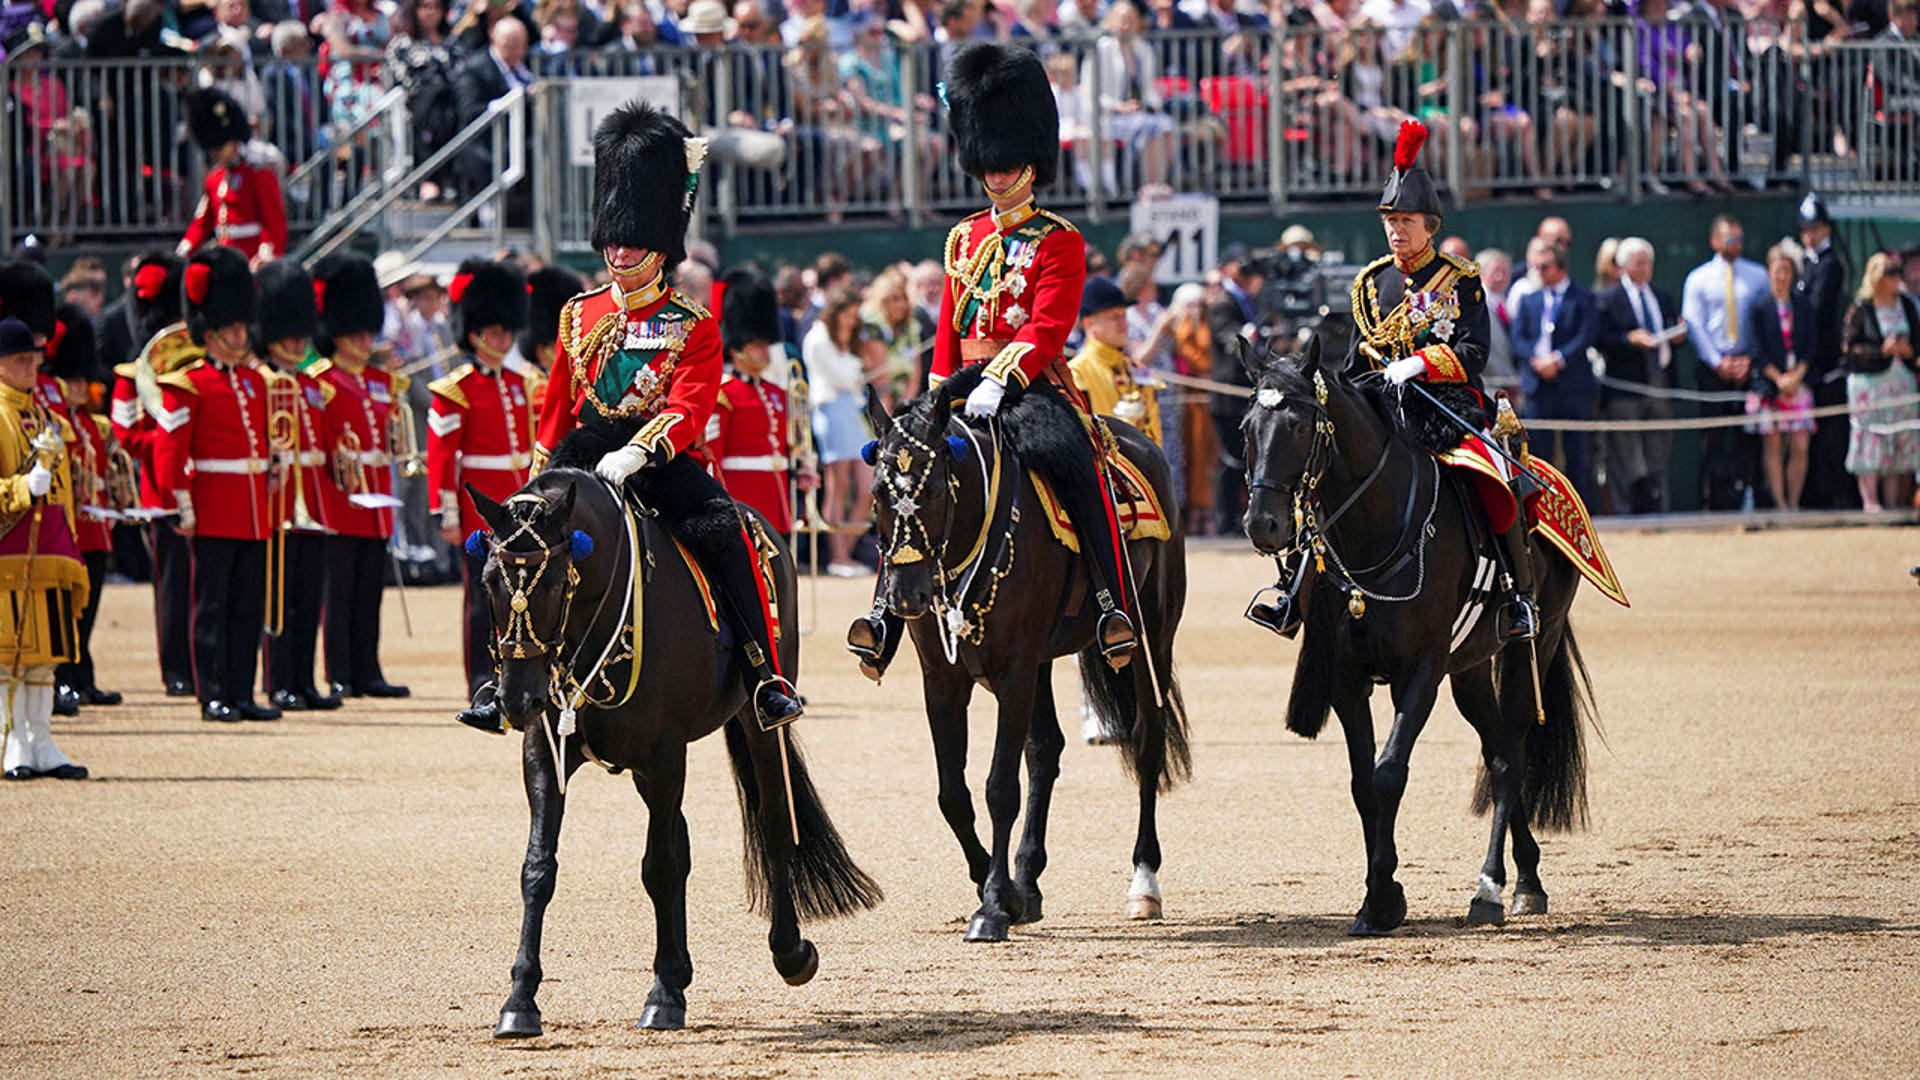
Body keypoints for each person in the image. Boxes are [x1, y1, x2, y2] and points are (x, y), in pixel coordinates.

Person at [846, 41, 1136, 680]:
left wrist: (1002, 375)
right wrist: (938, 391)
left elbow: (1049, 325)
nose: (998, 175)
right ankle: (886, 612)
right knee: (906, 474)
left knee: (1077, 468)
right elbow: (949, 324)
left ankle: (1113, 604)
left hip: (1029, 385)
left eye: (1008, 164)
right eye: (990, 165)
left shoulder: (1058, 238)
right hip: (959, 386)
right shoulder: (963, 237)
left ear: (1031, 162)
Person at [531, 101, 803, 728]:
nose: (620, 254)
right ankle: (505, 676)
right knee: (517, 547)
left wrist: (640, 451)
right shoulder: (579, 314)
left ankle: (764, 675)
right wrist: (541, 470)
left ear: (661, 245)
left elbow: (688, 407)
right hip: (581, 458)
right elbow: (555, 406)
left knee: (728, 536)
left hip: (659, 461)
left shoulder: (693, 324)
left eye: (634, 243)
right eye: (613, 241)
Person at [1356, 120, 1537, 641]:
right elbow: (1355, 359)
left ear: (1429, 225)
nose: (1396, 230)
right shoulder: (1371, 282)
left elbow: (1474, 351)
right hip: (1381, 407)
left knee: (1492, 480)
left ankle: (1517, 594)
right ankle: (1296, 589)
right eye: (1390, 220)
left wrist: (1420, 364)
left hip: (1445, 404)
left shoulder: (1461, 279)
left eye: (1406, 220)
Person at [152, 246, 279, 723]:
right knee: (212, 607)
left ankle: (243, 692)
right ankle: (214, 693)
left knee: (248, 608)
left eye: (243, 326)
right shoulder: (187, 384)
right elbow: (170, 451)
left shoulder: (254, 381)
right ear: (210, 331)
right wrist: (179, 502)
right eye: (233, 327)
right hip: (212, 507)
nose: (242, 334)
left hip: (251, 513)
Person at [429, 258, 534, 733]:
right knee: (481, 600)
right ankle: (481, 681)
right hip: (479, 512)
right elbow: (443, 457)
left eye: (505, 331)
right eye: (492, 331)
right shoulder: (456, 390)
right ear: (473, 334)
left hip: (520, 511)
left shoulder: (521, 386)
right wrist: (447, 512)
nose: (502, 339)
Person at [310, 252, 411, 699]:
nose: (365, 338)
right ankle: (339, 672)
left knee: (370, 591)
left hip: (377, 499)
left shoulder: (380, 381)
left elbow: (388, 437)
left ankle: (367, 669)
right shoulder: (323, 381)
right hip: (341, 497)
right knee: (340, 592)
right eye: (356, 331)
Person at [0, 316, 89, 780]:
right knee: (8, 653)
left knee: (44, 655)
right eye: (20, 360)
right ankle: (11, 740)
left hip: (50, 547)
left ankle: (41, 738)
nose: (31, 367)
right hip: (7, 550)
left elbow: (65, 491)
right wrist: (18, 488)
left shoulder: (48, 417)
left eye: (33, 359)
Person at [253, 258, 343, 714]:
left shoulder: (309, 385)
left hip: (313, 501)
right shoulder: (263, 381)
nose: (296, 340)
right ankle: (279, 680)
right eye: (288, 333)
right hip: (280, 501)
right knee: (280, 600)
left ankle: (304, 680)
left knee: (309, 600)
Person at [108, 254, 197, 696]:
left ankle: (206, 662)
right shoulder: (132, 375)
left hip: (209, 486)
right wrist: (167, 448)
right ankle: (176, 667)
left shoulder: (196, 364)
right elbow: (127, 433)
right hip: (162, 490)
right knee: (173, 585)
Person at [44, 304, 122, 708]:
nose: (79, 387)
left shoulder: (93, 424)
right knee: (67, 611)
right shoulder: (58, 422)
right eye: (71, 380)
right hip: (71, 527)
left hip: (95, 526)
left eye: (81, 380)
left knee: (88, 612)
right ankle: (65, 678)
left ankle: (83, 676)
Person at [1683, 213, 1769, 510]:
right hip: (1713, 371)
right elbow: (1694, 324)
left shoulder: (1759, 276)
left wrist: (1749, 360)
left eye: (1740, 239)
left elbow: (1765, 323)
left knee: (1751, 439)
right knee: (1713, 440)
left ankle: (1751, 498)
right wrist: (1718, 362)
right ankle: (1710, 502)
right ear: (1714, 240)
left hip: (1750, 369)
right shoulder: (1698, 278)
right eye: (1730, 238)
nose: (1736, 244)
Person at [1594, 237, 1684, 515]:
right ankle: (1626, 514)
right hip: (1625, 388)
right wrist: (1628, 339)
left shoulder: (1662, 296)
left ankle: (1660, 512)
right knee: (1626, 457)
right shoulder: (1608, 298)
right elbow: (1599, 338)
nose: (1646, 268)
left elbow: (1671, 332)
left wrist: (1679, 335)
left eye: (1648, 262)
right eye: (1639, 263)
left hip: (1660, 384)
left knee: (1658, 455)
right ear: (1623, 266)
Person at [708, 267, 800, 535]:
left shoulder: (775, 391)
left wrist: (801, 467)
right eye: (757, 345)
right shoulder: (723, 393)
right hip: (743, 496)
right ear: (737, 349)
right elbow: (714, 457)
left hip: (777, 495)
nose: (765, 351)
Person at [1512, 238, 1600, 506]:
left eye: (1544, 266)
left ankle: (1580, 509)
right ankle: (1542, 510)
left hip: (1572, 384)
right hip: (1538, 384)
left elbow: (1586, 335)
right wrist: (1537, 361)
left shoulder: (1583, 298)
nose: (1538, 271)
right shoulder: (1528, 299)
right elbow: (1519, 337)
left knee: (1577, 452)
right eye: (1535, 266)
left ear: (1560, 266)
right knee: (1539, 452)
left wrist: (1558, 360)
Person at [803, 287, 877, 576]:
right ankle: (838, 556)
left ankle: (845, 551)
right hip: (831, 411)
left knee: (867, 486)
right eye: (846, 316)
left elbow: (854, 375)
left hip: (851, 412)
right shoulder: (818, 338)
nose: (850, 322)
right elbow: (845, 377)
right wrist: (858, 368)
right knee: (839, 485)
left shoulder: (841, 339)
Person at [1839, 253, 1920, 511]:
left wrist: (1910, 352)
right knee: (1870, 441)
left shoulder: (1906, 305)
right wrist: (1881, 351)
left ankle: (1894, 502)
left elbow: (1917, 341)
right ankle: (1870, 501)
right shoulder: (1861, 307)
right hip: (1869, 387)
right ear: (1878, 277)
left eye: (1898, 272)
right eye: (1891, 272)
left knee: (1898, 442)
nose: (1897, 277)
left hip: (1901, 384)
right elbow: (1850, 348)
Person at [177, 88, 288, 268]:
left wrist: (266, 256)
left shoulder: (257, 174)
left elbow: (273, 221)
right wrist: (183, 250)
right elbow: (201, 223)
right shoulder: (214, 179)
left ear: (233, 141)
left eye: (219, 148)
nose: (215, 154)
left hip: (253, 260)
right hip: (225, 260)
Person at [1746, 242, 1818, 513]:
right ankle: (1779, 503)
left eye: (1786, 270)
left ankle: (1794, 501)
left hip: (1798, 384)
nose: (1782, 276)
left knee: (1800, 444)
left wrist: (1797, 375)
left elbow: (1811, 346)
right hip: (1770, 386)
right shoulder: (1759, 308)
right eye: (1777, 270)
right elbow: (1756, 349)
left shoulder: (1803, 307)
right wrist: (1778, 379)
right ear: (1769, 272)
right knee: (1773, 443)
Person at [1796, 193, 1855, 509]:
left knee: (1832, 435)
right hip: (1809, 362)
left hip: (1825, 364)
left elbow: (1816, 309)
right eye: (1806, 229)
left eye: (1815, 228)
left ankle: (1838, 495)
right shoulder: (1807, 263)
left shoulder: (1830, 264)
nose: (1810, 234)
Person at [1069, 276, 1162, 444]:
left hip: (1144, 468)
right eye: (1113, 317)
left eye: (1123, 316)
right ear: (1089, 324)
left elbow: (1155, 435)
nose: (1123, 324)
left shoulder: (1138, 369)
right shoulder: (1076, 373)